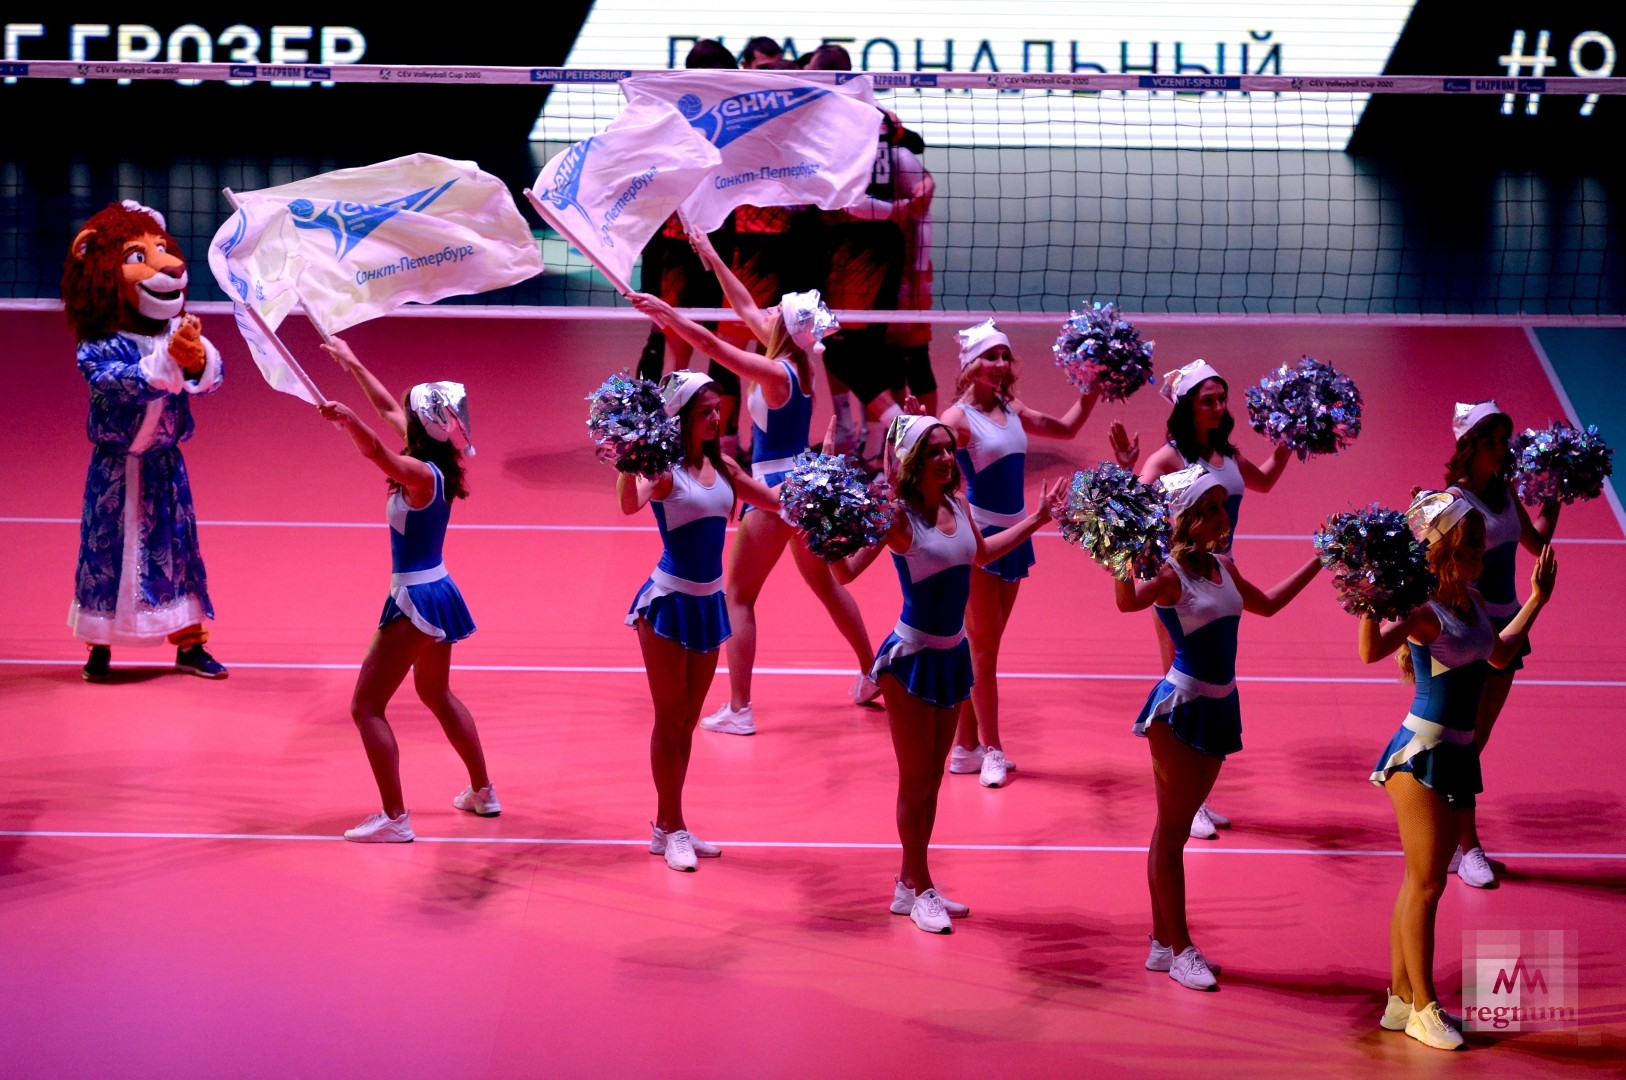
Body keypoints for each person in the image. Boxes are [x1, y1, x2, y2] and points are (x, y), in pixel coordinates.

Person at [630, 232, 879, 736]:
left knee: (738, 596)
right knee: (827, 585)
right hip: (805, 487)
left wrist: (668, 314)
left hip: (773, 492)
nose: (765, 309)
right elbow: (743, 305)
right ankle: (871, 672)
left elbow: (711, 345)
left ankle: (740, 708)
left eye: (774, 309)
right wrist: (711, 255)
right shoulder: (801, 363)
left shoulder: (774, 373)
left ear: (783, 325)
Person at [834, 415, 1061, 933]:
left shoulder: (958, 506)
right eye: (934, 451)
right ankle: (921, 888)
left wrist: (1038, 519)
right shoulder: (898, 518)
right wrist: (826, 538)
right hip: (911, 661)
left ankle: (909, 884)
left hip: (951, 655)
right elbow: (846, 571)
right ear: (913, 462)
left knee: (933, 780)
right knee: (915, 781)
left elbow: (983, 554)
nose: (945, 458)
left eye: (947, 449)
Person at [1108, 464, 1321, 989]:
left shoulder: (1224, 566)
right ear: (1188, 519)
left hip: (1221, 707)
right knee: (1172, 832)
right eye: (1212, 509)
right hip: (1181, 711)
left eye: (1223, 506)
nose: (1224, 516)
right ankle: (1181, 950)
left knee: (1173, 829)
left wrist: (1320, 559)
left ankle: (1162, 944)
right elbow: (1126, 600)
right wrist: (1116, 548)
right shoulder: (1169, 577)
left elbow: (1268, 604)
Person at [1361, 490, 1556, 1049]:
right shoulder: (1425, 613)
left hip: (1456, 754)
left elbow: (1498, 654)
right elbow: (1370, 651)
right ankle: (1424, 1009)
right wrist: (1370, 596)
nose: (1483, 552)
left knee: (1419, 883)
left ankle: (1401, 1000)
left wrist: (1536, 600)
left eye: (1481, 544)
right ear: (1444, 552)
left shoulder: (1469, 599)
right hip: (1422, 756)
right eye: (1471, 545)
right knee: (1427, 885)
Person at [315, 337, 496, 843]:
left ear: (419, 425)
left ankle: (395, 818)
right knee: (435, 692)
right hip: (439, 589)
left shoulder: (417, 473)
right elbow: (387, 408)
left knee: (365, 707)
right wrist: (352, 361)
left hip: (414, 600)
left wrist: (348, 420)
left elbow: (376, 450)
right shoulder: (436, 457)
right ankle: (483, 791)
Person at [940, 320, 1122, 788]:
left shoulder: (1010, 407)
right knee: (983, 648)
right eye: (991, 356)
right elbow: (927, 466)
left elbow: (1066, 427)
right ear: (970, 365)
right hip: (982, 540)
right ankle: (992, 750)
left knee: (984, 648)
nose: (1001, 364)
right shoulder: (957, 420)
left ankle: (964, 747)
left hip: (1018, 535)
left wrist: (1092, 385)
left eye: (1005, 356)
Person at [1119, 358, 1293, 839]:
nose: (1218, 407)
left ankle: (1195, 797)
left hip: (1221, 573)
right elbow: (1131, 508)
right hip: (1180, 579)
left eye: (1221, 399)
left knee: (1215, 678)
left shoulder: (1227, 455)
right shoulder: (1166, 460)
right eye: (1208, 400)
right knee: (1182, 682)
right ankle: (1183, 798)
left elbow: (1265, 480)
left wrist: (1291, 434)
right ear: (1186, 407)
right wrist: (1127, 468)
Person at [620, 372, 779, 870]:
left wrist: (823, 483)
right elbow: (629, 503)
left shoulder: (725, 467)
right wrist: (627, 457)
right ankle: (670, 827)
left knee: (687, 721)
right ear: (683, 416)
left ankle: (671, 825)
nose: (716, 417)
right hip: (668, 605)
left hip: (709, 604)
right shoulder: (663, 470)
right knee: (670, 719)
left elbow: (774, 501)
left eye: (717, 409)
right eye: (706, 411)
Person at [63, 200, 227, 682]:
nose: (164, 265)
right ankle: (99, 646)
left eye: (161, 250)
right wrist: (165, 364)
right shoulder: (98, 344)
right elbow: (118, 383)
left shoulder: (177, 330)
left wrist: (197, 360)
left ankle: (190, 643)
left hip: (165, 467)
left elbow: (210, 382)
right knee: (104, 552)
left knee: (179, 551)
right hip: (114, 470)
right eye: (140, 256)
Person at [1443, 401, 1559, 888]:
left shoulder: (1505, 490)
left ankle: (1453, 840)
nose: (1501, 449)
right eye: (1490, 441)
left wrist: (1555, 496)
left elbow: (1535, 542)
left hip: (1511, 624)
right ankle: (1467, 846)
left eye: (1503, 440)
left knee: (1477, 739)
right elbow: (1440, 569)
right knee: (1463, 742)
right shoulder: (1453, 501)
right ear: (1468, 448)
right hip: (1473, 632)